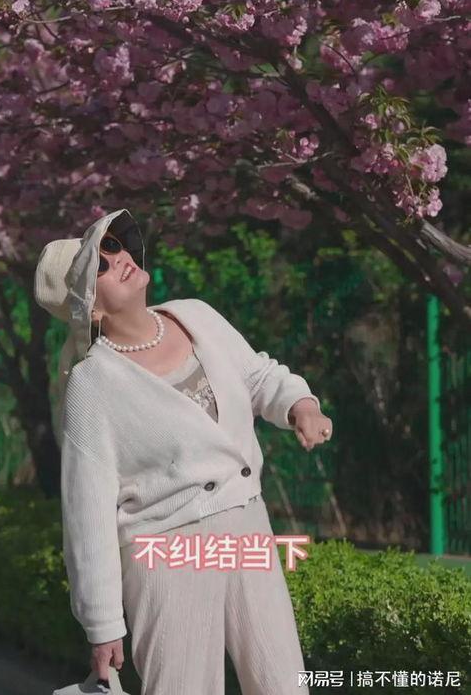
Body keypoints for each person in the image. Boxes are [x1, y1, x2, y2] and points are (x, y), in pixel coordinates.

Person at [34, 207, 333, 695]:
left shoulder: (194, 314)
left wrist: (300, 404)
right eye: (101, 263)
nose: (120, 257)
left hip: (247, 526)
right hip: (165, 552)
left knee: (284, 684)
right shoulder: (91, 383)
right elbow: (87, 512)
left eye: (116, 244)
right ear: (89, 308)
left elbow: (257, 375)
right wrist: (102, 623)